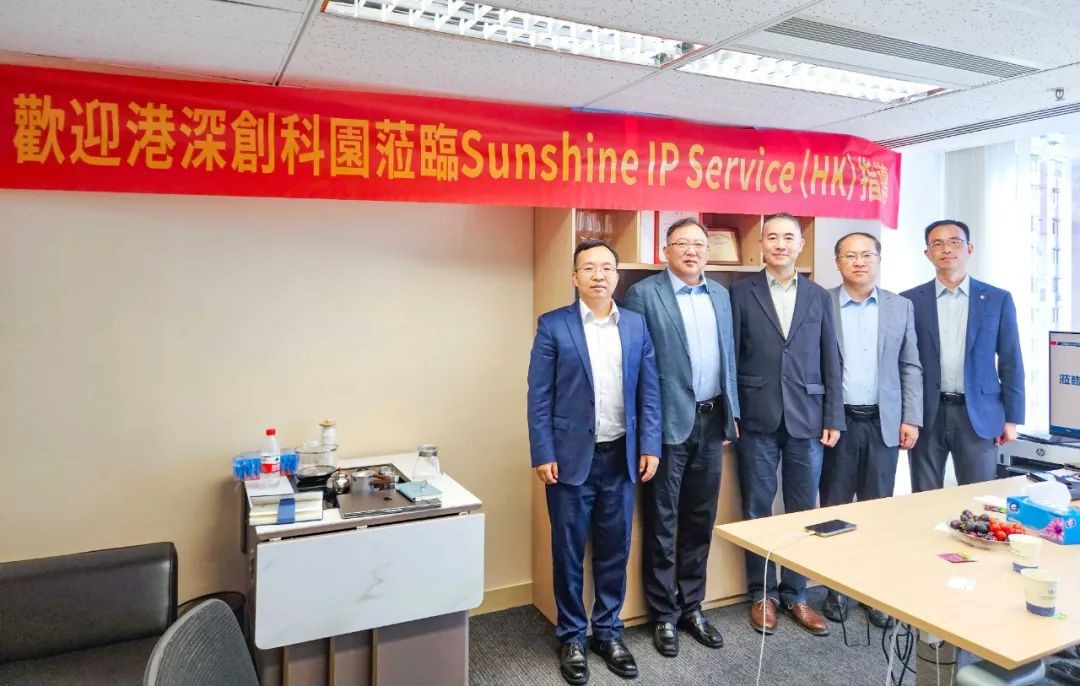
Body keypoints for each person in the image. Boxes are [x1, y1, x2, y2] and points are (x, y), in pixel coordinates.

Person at [527, 238, 661, 685]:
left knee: (614, 548)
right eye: (589, 268)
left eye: (606, 267)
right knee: (568, 551)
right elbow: (539, 397)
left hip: (621, 456)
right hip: (568, 461)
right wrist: (543, 451)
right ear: (575, 276)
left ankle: (607, 632)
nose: (598, 275)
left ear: (617, 275)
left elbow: (649, 391)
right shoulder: (553, 325)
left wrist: (650, 445)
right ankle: (571, 635)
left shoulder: (636, 325)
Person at [623, 217, 740, 659]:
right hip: (667, 426)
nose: (691, 251)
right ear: (665, 251)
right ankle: (663, 615)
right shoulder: (644, 294)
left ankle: (692, 606)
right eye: (682, 244)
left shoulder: (721, 295)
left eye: (699, 244)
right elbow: (635, 366)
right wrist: (646, 433)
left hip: (712, 421)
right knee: (662, 522)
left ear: (708, 252)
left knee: (699, 519)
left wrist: (732, 416)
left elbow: (728, 358)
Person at [729, 212, 843, 637]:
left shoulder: (818, 296)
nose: (780, 244)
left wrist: (833, 416)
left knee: (803, 510)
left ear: (800, 245)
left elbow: (831, 358)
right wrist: (732, 414)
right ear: (761, 244)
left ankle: (796, 594)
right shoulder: (740, 293)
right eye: (772, 237)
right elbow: (731, 357)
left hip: (807, 417)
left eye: (788, 237)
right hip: (756, 416)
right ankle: (762, 594)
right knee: (757, 510)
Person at [819, 232, 923, 628]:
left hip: (884, 421)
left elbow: (910, 365)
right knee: (835, 507)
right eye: (850, 255)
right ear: (838, 262)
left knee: (878, 509)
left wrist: (910, 417)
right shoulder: (822, 302)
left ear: (879, 259)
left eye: (867, 255)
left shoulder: (900, 306)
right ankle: (837, 588)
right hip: (839, 422)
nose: (859, 262)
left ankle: (873, 591)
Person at [901, 219, 1024, 492]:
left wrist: (1011, 419)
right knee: (923, 497)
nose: (947, 249)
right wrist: (905, 416)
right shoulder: (909, 301)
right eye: (938, 243)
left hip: (979, 414)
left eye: (955, 242)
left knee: (978, 497)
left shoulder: (997, 299)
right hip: (927, 414)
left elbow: (1011, 361)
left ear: (969, 248)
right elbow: (903, 363)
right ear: (927, 253)